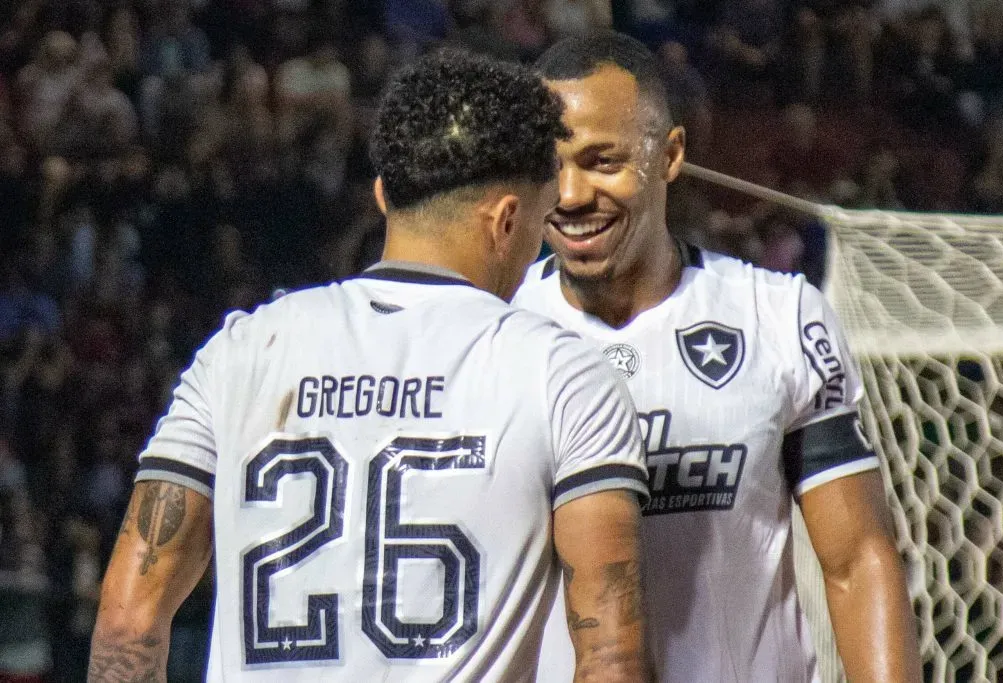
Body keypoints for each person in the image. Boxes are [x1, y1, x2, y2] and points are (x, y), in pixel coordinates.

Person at [87, 49, 652, 683]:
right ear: (507, 219)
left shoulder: (242, 350)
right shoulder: (565, 376)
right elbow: (612, 658)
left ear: (383, 196)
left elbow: (127, 627)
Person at [515, 32, 923, 683]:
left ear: (669, 155)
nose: (569, 194)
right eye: (547, 163)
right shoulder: (495, 331)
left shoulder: (778, 317)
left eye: (602, 161)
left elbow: (856, 559)